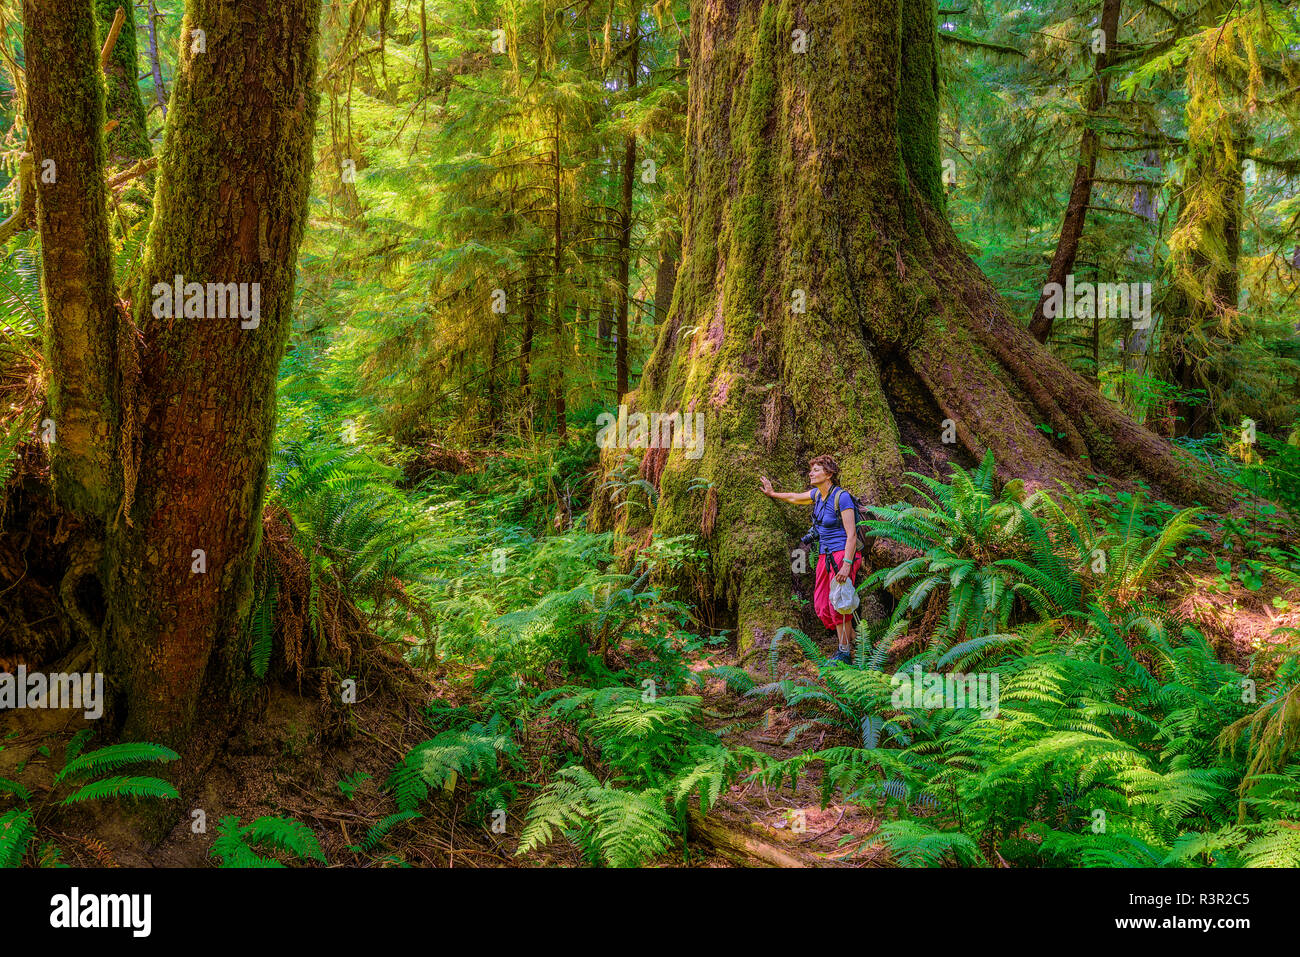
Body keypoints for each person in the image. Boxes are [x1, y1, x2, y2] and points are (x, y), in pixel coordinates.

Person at [759, 455, 862, 665]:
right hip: (825, 557)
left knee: (840, 604)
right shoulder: (818, 495)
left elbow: (851, 534)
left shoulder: (841, 497)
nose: (811, 473)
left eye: (816, 470)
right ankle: (857, 642)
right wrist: (772, 493)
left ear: (829, 474)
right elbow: (796, 498)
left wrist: (846, 565)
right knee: (823, 604)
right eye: (811, 469)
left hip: (843, 555)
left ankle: (844, 653)